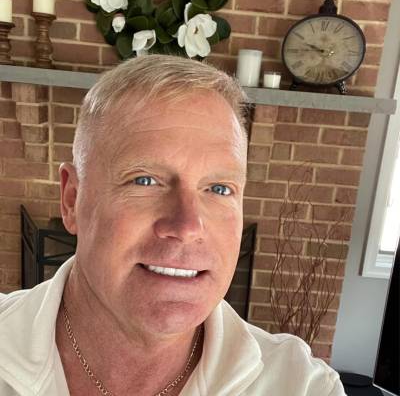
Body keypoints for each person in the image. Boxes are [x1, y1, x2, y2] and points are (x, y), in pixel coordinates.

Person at [0, 55, 346, 396]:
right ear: (72, 199)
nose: (187, 226)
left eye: (219, 188)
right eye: (145, 181)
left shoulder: (302, 386)